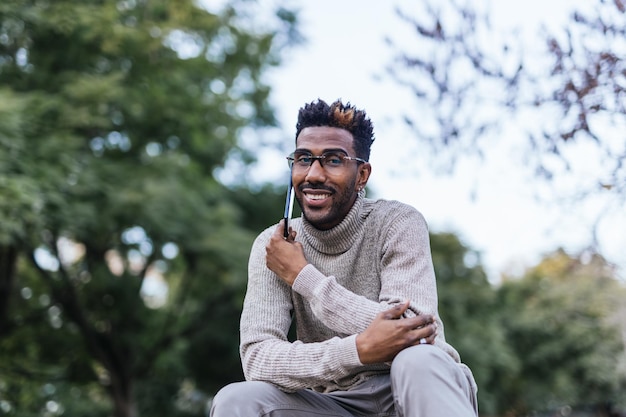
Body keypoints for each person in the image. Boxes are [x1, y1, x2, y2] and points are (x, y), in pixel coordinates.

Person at [210, 99, 478, 417]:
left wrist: (304, 277)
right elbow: (258, 358)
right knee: (237, 400)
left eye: (333, 160)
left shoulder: (398, 222)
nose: (313, 174)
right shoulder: (274, 246)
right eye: (303, 159)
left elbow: (412, 333)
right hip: (336, 404)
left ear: (361, 174)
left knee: (415, 359)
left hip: (415, 390)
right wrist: (356, 351)